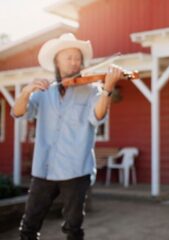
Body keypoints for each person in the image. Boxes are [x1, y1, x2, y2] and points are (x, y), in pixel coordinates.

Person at [13, 33, 124, 240]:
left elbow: (97, 117)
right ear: (57, 61)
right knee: (29, 225)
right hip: (44, 168)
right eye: (69, 57)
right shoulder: (44, 91)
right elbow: (19, 112)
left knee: (73, 229)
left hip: (75, 170)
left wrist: (108, 89)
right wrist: (26, 91)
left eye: (77, 58)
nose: (74, 62)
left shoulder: (92, 90)